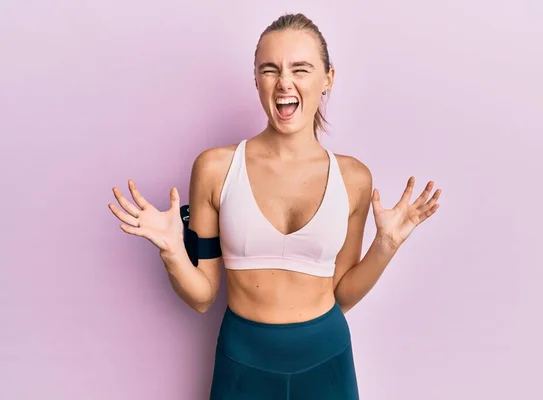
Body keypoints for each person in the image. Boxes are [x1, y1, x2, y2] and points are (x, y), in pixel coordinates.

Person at [108, 13, 441, 400]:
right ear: (256, 79)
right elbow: (201, 296)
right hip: (243, 360)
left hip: (327, 358)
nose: (285, 82)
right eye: (270, 69)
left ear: (328, 78)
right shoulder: (216, 169)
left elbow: (343, 293)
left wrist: (386, 246)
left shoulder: (353, 179)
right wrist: (172, 251)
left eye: (301, 68)